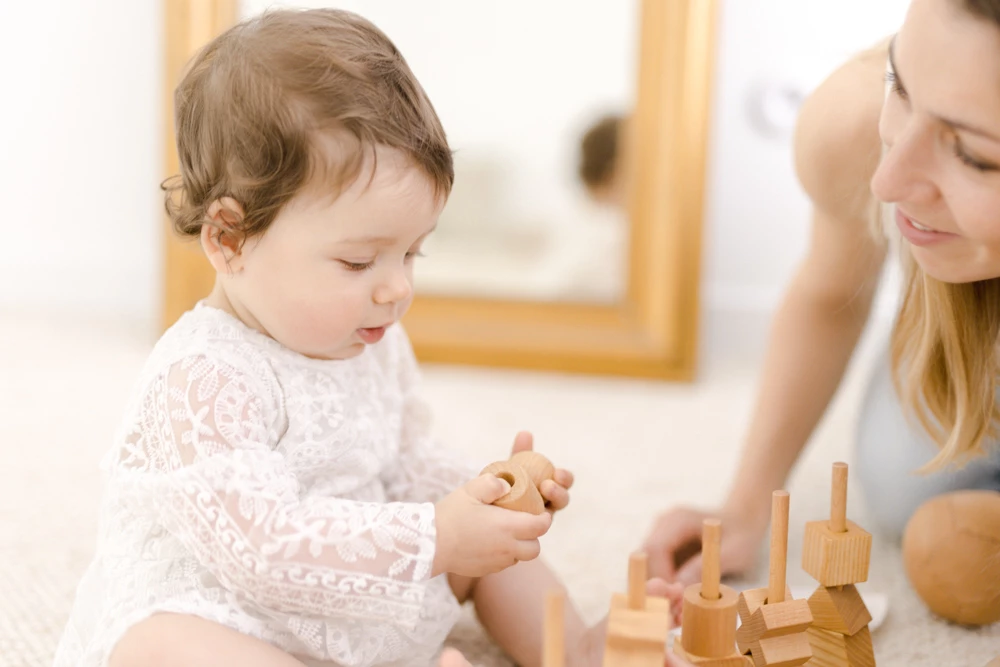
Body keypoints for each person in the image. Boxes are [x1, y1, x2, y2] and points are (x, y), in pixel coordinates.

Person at [52, 9, 685, 667]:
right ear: (229, 239)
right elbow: (263, 551)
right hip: (235, 601)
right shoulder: (203, 376)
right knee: (162, 645)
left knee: (487, 553)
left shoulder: (372, 335)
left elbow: (402, 458)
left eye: (413, 253)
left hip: (357, 570)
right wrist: (434, 536)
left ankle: (573, 647)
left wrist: (483, 496)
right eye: (359, 262)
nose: (395, 289)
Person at [644, 0, 1000, 594]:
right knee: (905, 491)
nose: (888, 183)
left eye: (974, 154)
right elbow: (829, 294)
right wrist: (746, 505)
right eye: (900, 84)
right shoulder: (853, 124)